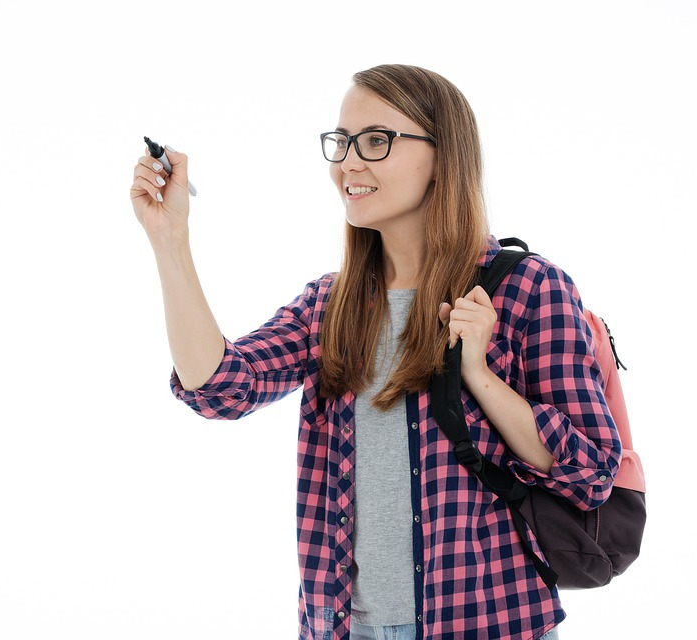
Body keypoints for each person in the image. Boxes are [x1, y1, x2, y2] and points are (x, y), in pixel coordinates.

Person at [129, 64, 620, 640]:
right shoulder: (330, 304)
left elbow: (590, 472)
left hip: (489, 624)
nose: (348, 163)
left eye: (376, 141)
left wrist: (479, 374)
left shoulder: (528, 288)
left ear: (443, 155)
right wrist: (170, 241)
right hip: (346, 627)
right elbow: (219, 388)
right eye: (340, 142)